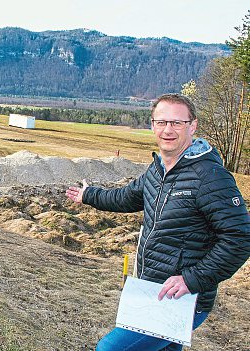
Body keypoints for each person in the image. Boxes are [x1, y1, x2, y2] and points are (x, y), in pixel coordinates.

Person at [65, 93, 250, 351]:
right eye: (161, 122)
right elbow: (125, 198)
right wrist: (89, 194)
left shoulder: (210, 177)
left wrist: (191, 279)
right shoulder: (158, 170)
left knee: (110, 349)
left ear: (192, 126)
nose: (168, 130)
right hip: (153, 288)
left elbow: (240, 238)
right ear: (152, 125)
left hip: (184, 298)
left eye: (177, 123)